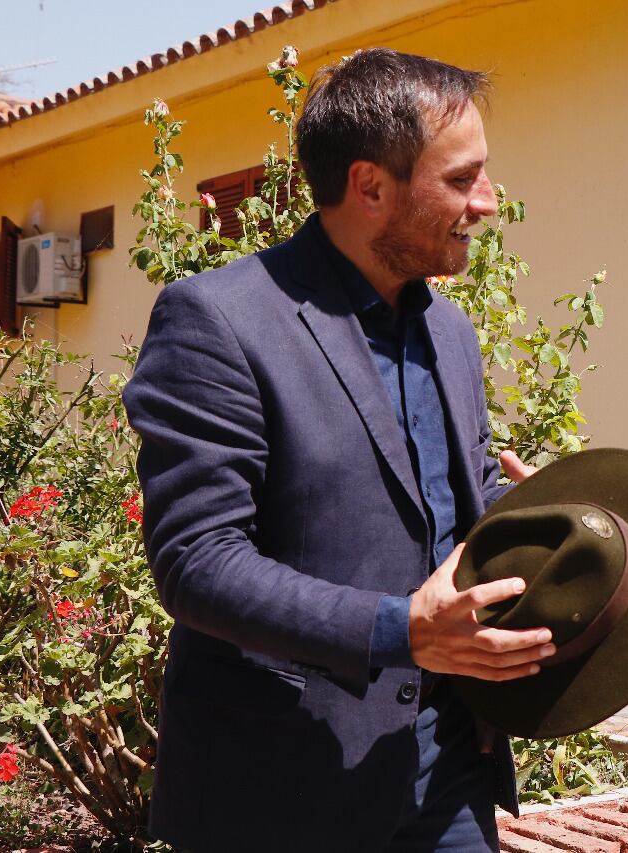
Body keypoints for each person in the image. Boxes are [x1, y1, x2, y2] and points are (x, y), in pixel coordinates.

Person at [124, 49, 555, 852]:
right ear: (370, 187)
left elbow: (459, 513)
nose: (489, 202)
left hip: (451, 776)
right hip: (283, 792)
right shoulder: (218, 322)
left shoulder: (450, 333)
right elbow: (196, 559)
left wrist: (547, 517)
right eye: (462, 179)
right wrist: (401, 631)